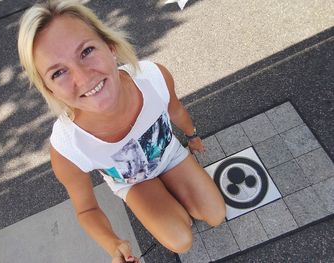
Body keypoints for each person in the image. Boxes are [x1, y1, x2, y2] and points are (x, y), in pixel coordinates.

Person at [18, 1, 225, 262]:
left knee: (216, 215)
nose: (83, 78)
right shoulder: (68, 146)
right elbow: (86, 209)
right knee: (181, 241)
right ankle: (167, 200)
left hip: (170, 155)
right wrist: (113, 244)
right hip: (133, 183)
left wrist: (192, 135)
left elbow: (176, 110)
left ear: (110, 47)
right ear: (50, 90)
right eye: (58, 72)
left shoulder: (153, 77)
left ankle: (172, 197)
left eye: (87, 51)